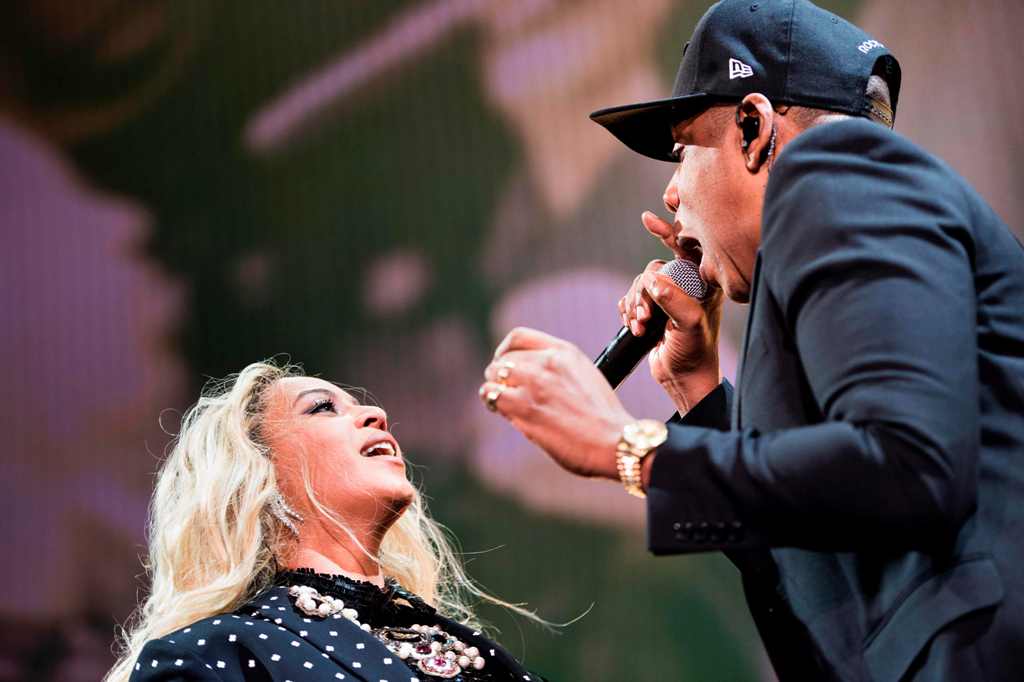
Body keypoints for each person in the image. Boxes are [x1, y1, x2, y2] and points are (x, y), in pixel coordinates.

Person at [478, 0, 1024, 680]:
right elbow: (822, 555)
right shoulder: (840, 239)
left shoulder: (834, 169)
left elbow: (910, 467)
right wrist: (700, 392)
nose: (672, 195)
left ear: (753, 126)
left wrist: (625, 446)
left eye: (682, 153)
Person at [107, 360, 546, 682]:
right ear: (257, 474)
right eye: (322, 407)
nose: (376, 415)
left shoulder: (460, 644)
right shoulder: (213, 657)